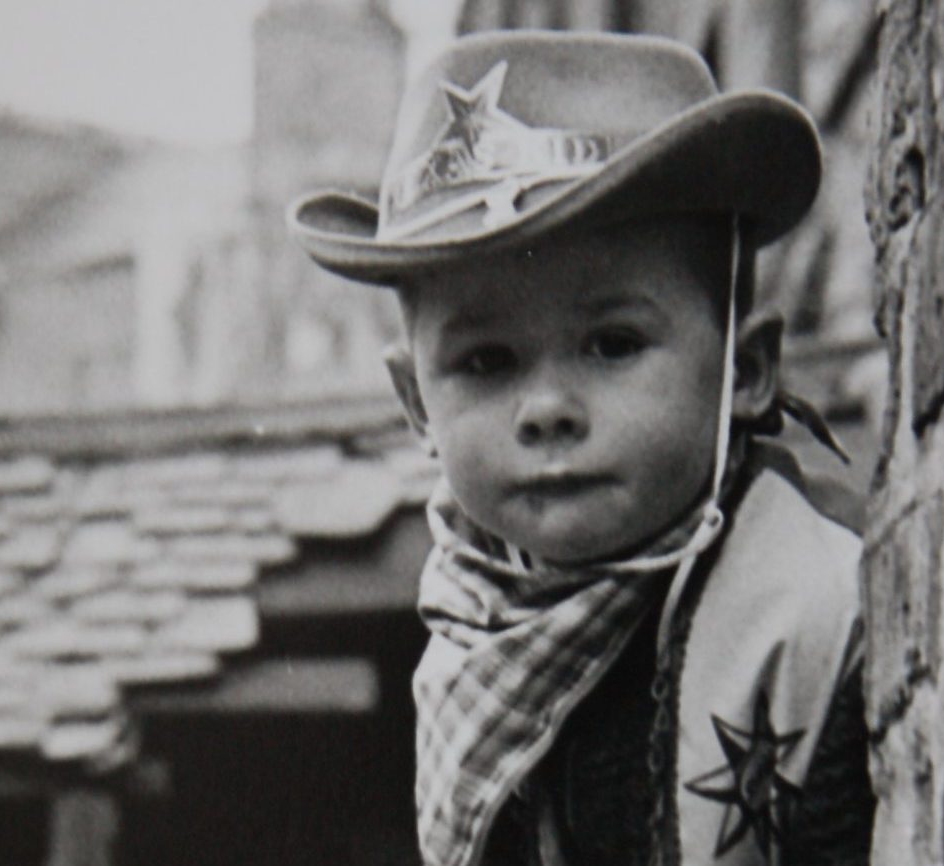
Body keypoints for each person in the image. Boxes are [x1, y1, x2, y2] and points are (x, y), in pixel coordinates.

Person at [287, 30, 874, 866]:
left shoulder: (820, 617)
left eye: (613, 344)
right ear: (417, 403)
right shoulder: (474, 631)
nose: (548, 410)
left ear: (745, 370)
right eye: (487, 361)